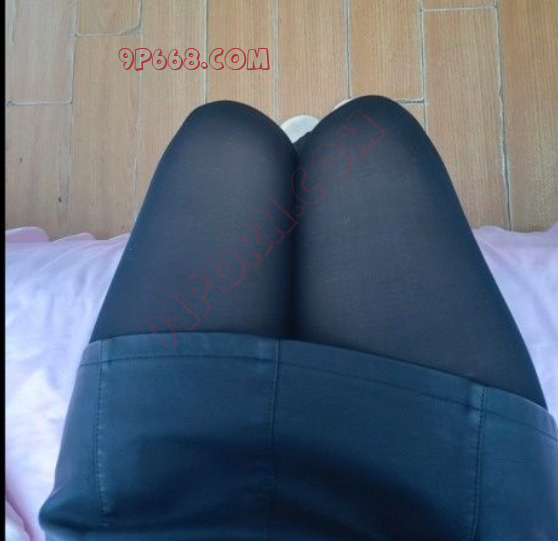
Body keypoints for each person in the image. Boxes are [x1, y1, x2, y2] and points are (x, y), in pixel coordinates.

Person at [40, 97, 556, 540]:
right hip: (434, 506)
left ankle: (300, 203)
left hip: (155, 502)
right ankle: (305, 195)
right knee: (367, 137)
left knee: (226, 137)